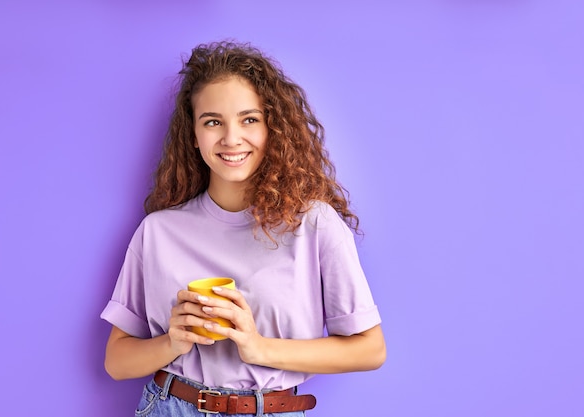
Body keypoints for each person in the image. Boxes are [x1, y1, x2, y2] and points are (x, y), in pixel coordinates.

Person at [100, 41, 386, 417]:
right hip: (171, 407)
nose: (231, 138)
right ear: (194, 133)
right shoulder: (157, 231)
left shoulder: (314, 224)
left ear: (273, 127)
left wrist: (258, 347)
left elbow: (370, 349)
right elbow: (116, 362)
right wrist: (174, 341)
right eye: (213, 121)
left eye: (249, 119)